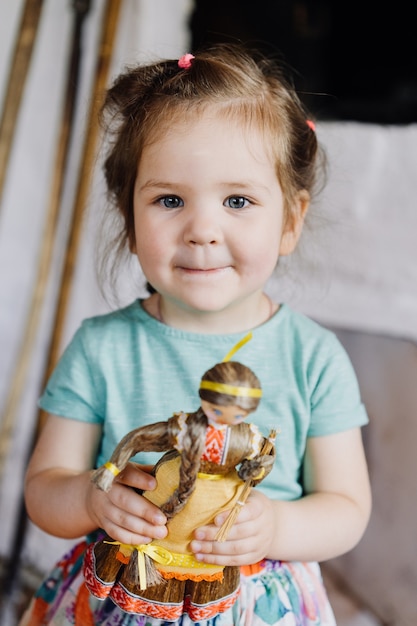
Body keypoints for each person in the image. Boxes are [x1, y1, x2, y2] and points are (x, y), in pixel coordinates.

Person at [21, 43, 371, 626]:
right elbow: (43, 490)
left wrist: (277, 525)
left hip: (252, 601)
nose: (202, 229)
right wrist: (89, 497)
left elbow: (348, 507)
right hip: (122, 591)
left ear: (289, 220)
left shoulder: (314, 357)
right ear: (130, 221)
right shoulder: (102, 347)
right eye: (169, 200)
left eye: (237, 200)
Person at [85, 355, 276, 621]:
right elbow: (139, 439)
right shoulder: (187, 428)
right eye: (218, 412)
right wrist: (108, 473)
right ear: (204, 397)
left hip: (217, 524)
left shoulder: (249, 438)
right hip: (157, 509)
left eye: (237, 415)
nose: (223, 421)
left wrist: (259, 475)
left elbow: (264, 459)